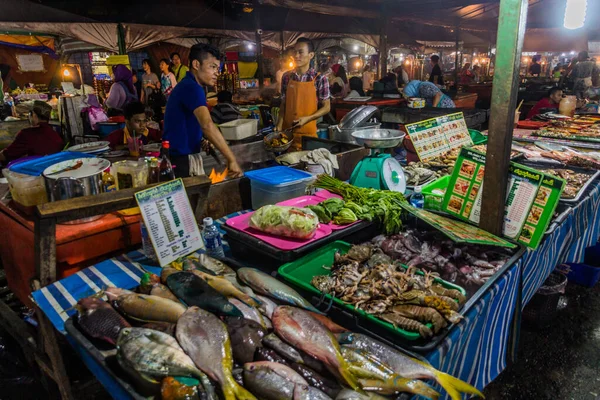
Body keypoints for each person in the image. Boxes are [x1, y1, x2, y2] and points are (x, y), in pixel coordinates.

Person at [163, 43, 242, 178]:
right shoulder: (192, 87)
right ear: (196, 64)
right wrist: (231, 159)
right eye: (212, 67)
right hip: (180, 160)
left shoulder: (188, 85)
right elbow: (207, 125)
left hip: (176, 157)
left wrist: (199, 139)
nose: (217, 72)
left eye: (218, 68)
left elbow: (185, 122)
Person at [276, 38, 331, 151]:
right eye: (295, 52)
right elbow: (284, 104)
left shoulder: (319, 79)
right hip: (287, 137)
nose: (296, 56)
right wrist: (279, 124)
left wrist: (308, 118)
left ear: (311, 55)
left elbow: (327, 107)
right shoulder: (287, 77)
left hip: (308, 138)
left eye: (300, 52)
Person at [0, 101, 63, 165]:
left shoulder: (26, 134)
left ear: (34, 115)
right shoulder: (55, 134)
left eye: (29, 114)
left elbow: (6, 155)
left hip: (33, 170)